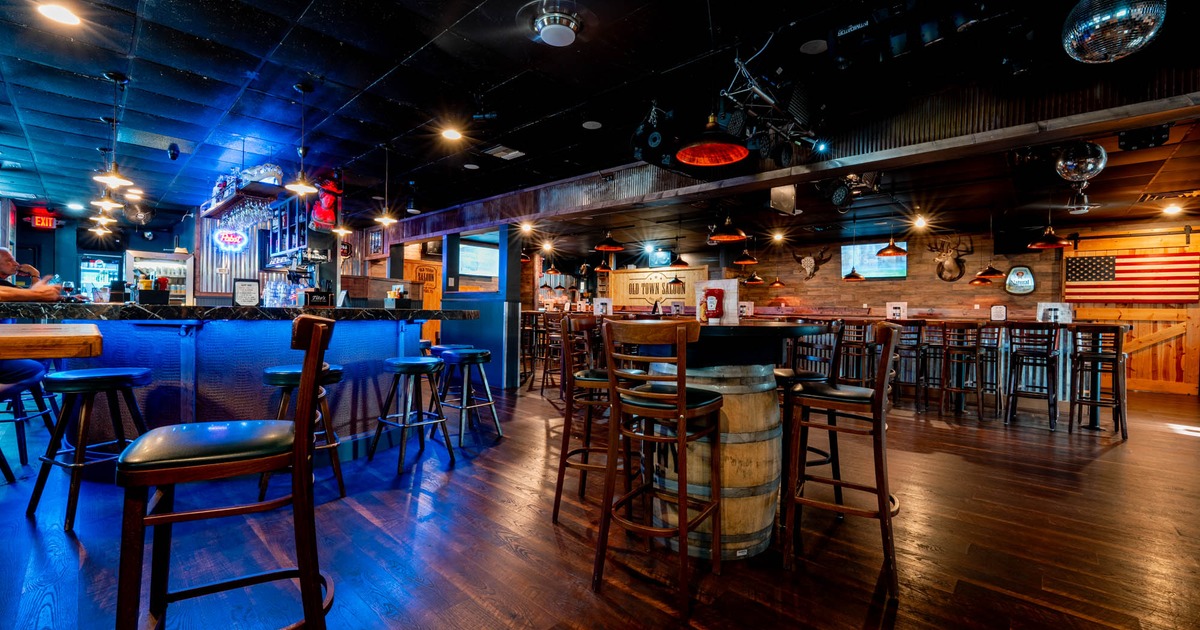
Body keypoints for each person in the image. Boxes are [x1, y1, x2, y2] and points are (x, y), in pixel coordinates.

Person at [0, 247, 62, 397]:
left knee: (46, 353)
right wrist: (35, 289)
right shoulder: (4, 287)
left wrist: (35, 281)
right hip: (3, 353)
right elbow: (33, 298)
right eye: (9, 260)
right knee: (38, 368)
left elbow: (31, 299)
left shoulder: (6, 286)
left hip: (6, 348)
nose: (15, 263)